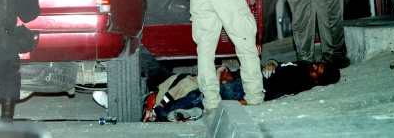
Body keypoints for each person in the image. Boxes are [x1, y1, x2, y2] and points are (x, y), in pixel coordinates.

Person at [139, 59, 341, 122]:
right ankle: (184, 111)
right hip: (249, 79)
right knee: (202, 94)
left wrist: (245, 101)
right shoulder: (301, 66)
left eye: (318, 71)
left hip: (252, 88)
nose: (314, 67)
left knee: (203, 94)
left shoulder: (302, 81)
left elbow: (275, 94)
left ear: (318, 82)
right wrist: (271, 63)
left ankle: (160, 113)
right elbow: (278, 63)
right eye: (318, 64)